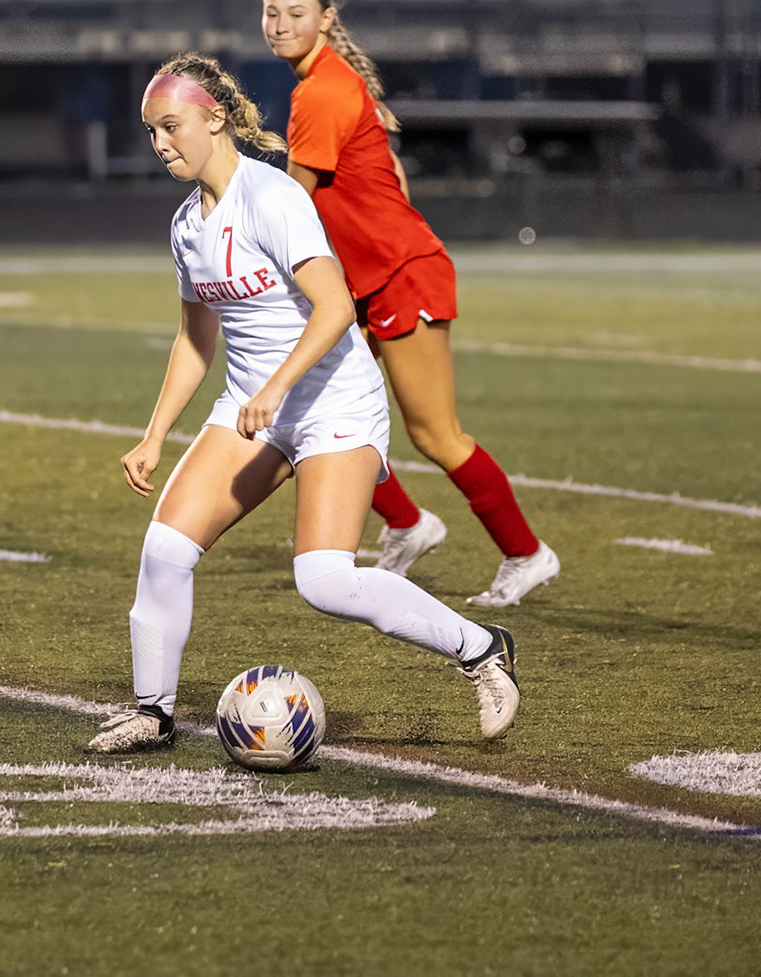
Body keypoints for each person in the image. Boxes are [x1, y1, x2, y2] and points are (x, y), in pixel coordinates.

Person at [87, 53, 519, 755]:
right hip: (254, 405)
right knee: (164, 550)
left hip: (333, 403)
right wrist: (154, 434)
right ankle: (153, 714)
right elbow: (195, 340)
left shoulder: (272, 197)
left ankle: (482, 648)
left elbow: (335, 306)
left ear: (215, 119)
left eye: (170, 126)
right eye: (151, 131)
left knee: (324, 580)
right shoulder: (188, 224)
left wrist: (276, 388)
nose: (159, 143)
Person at [261, 0, 559, 607]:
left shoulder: (321, 92)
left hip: (399, 275)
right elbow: (387, 175)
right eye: (272, 13)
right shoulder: (325, 84)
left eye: (295, 13)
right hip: (369, 279)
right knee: (310, 410)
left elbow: (292, 203)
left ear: (326, 19)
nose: (280, 25)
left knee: (434, 434)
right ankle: (406, 523)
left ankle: (526, 553)